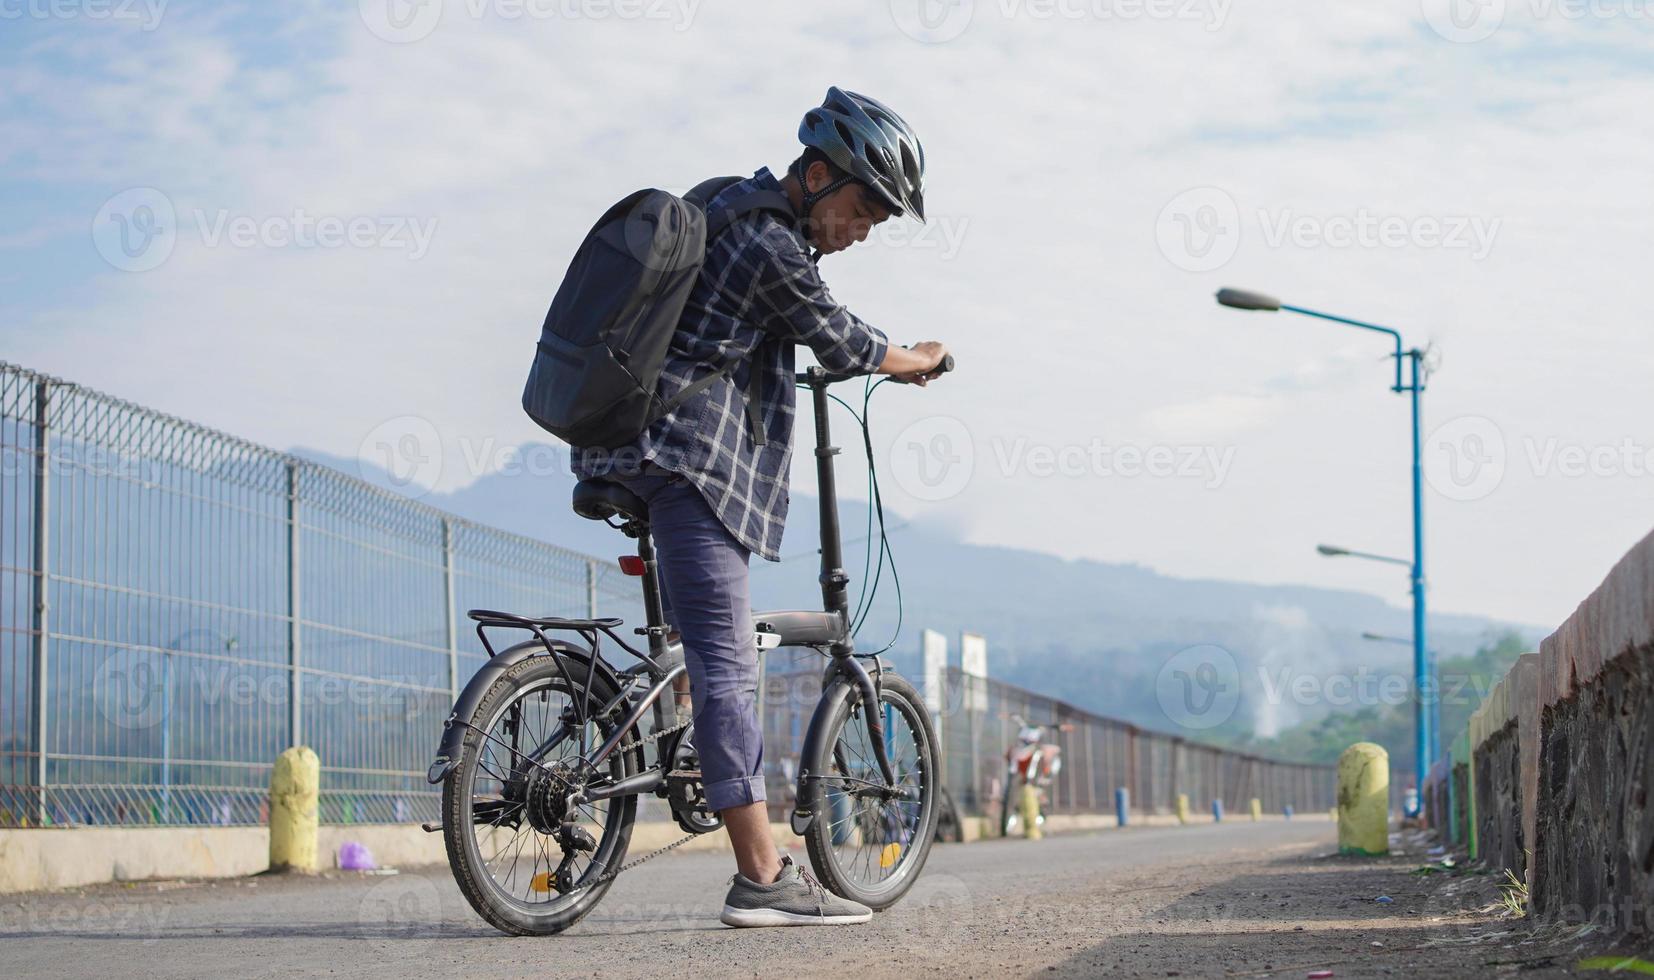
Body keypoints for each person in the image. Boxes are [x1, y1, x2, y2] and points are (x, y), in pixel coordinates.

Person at [569, 87, 949, 926]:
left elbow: (749, 329)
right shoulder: (767, 241)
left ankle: (683, 753)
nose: (862, 229)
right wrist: (912, 358)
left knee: (705, 650)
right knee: (728, 665)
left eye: (878, 221)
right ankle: (762, 875)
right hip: (685, 460)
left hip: (631, 443)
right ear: (816, 176)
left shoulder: (725, 207)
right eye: (861, 209)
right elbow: (837, 336)